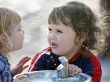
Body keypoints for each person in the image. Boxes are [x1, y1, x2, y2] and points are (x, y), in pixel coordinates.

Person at [29, 1, 102, 82]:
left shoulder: (90, 62)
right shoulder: (44, 57)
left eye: (59, 31)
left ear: (80, 37)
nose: (51, 36)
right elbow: (31, 79)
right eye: (50, 30)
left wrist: (79, 76)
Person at [0, 7, 30, 82]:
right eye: (19, 29)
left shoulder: (2, 60)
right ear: (4, 39)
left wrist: (11, 73)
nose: (23, 32)